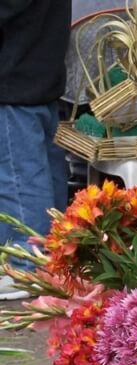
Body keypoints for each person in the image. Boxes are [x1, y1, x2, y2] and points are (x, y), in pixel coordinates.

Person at [0, 1, 71, 300]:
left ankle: (26, 267)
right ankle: (54, 259)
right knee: (44, 172)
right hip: (40, 77)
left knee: (19, 178)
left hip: (15, 81)